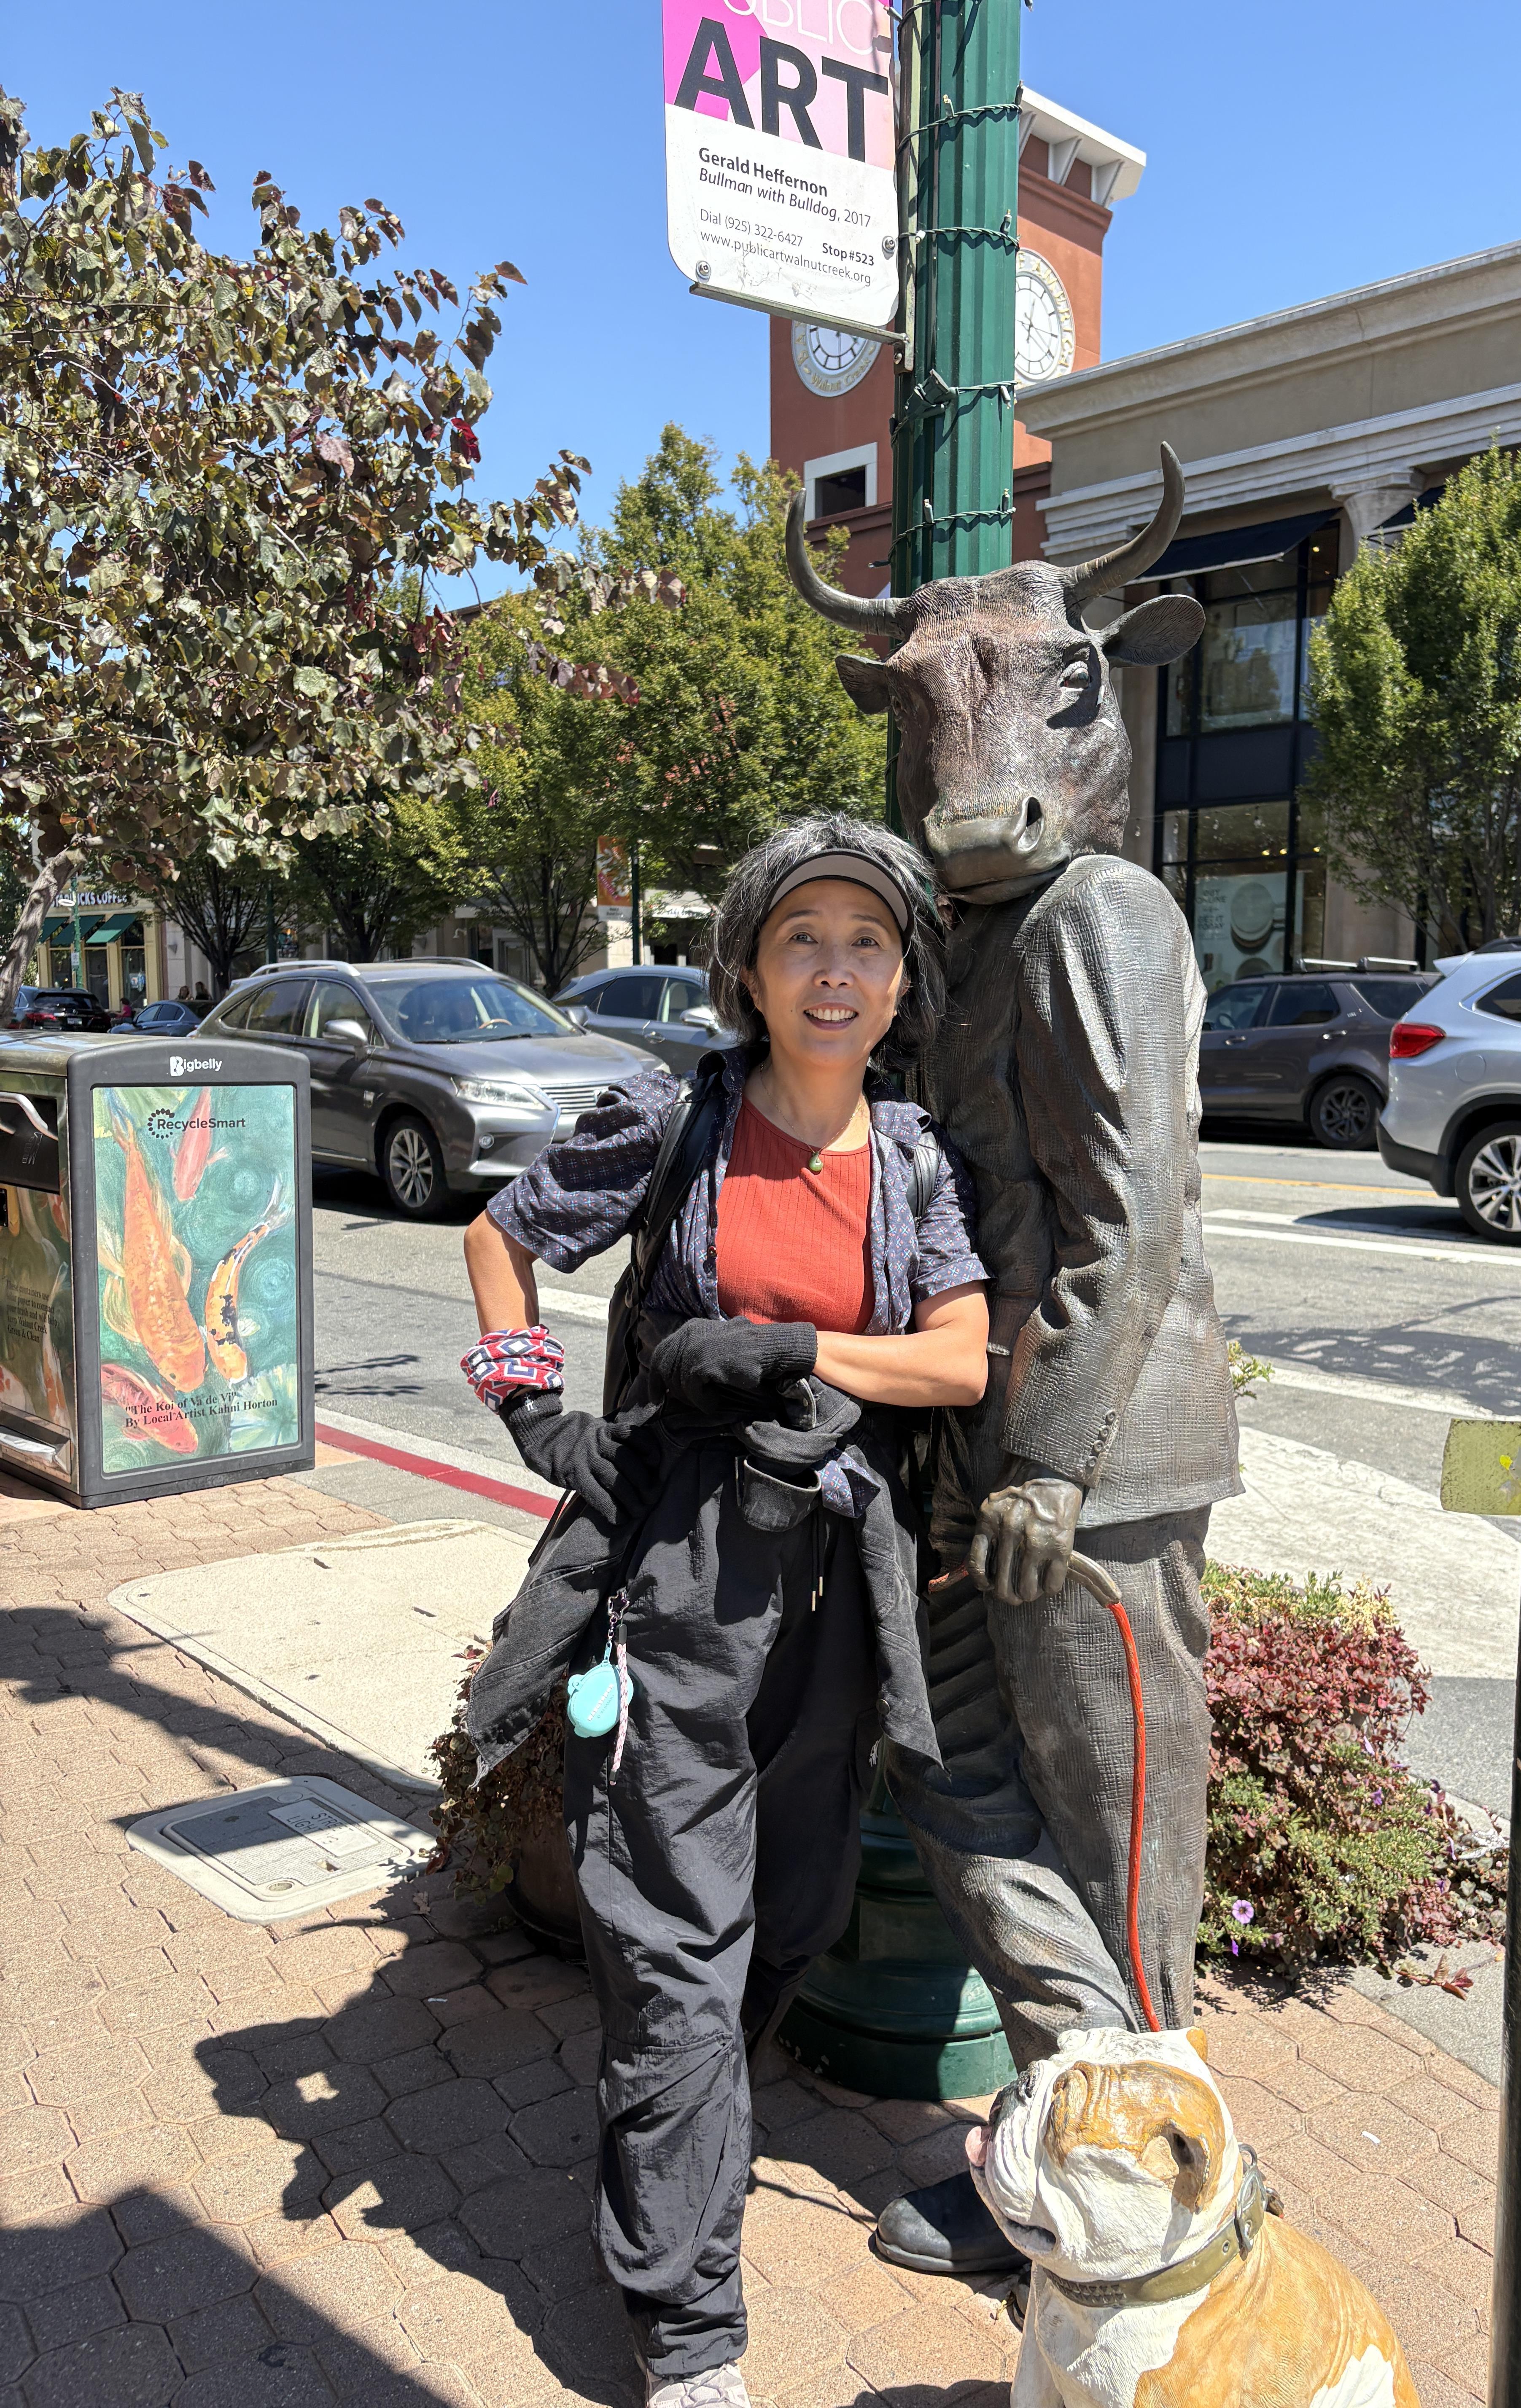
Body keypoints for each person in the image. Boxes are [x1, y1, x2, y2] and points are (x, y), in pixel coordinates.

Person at [460, 814, 987, 2408]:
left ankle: (677, 2120)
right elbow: (501, 1238)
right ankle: (687, 2319)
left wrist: (804, 1356)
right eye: (803, 939)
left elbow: (959, 1360)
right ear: (750, 967)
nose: (836, 973)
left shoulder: (908, 1159)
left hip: (839, 1587)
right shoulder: (673, 1120)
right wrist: (532, 1406)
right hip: (681, 1578)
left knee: (799, 1906)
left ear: (899, 979)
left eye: (867, 944)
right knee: (674, 1939)